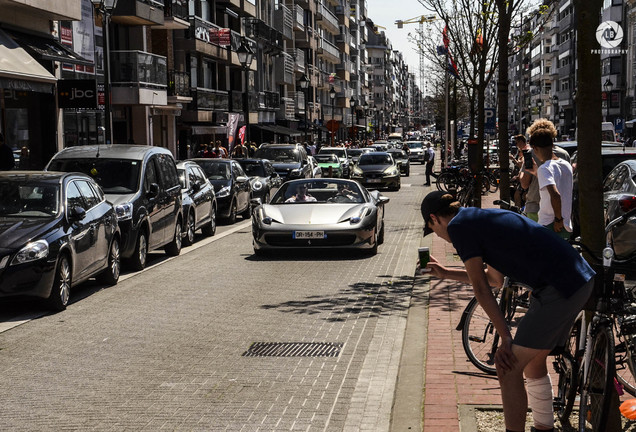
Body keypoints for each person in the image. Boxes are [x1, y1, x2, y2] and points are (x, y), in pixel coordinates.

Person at [419, 190, 595, 432]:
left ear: (434, 218)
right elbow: (493, 279)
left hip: (560, 288)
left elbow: (481, 289)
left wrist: (505, 337)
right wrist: (446, 273)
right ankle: (544, 427)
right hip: (577, 280)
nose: (438, 235)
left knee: (508, 366)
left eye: (432, 229)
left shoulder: (459, 227)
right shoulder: (476, 219)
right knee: (533, 361)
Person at [525, 119, 573, 240]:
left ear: (535, 148)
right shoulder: (565, 164)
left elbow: (555, 194)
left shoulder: (545, 168)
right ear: (552, 144)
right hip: (567, 224)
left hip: (550, 224)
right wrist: (537, 173)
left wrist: (558, 219)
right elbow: (560, 185)